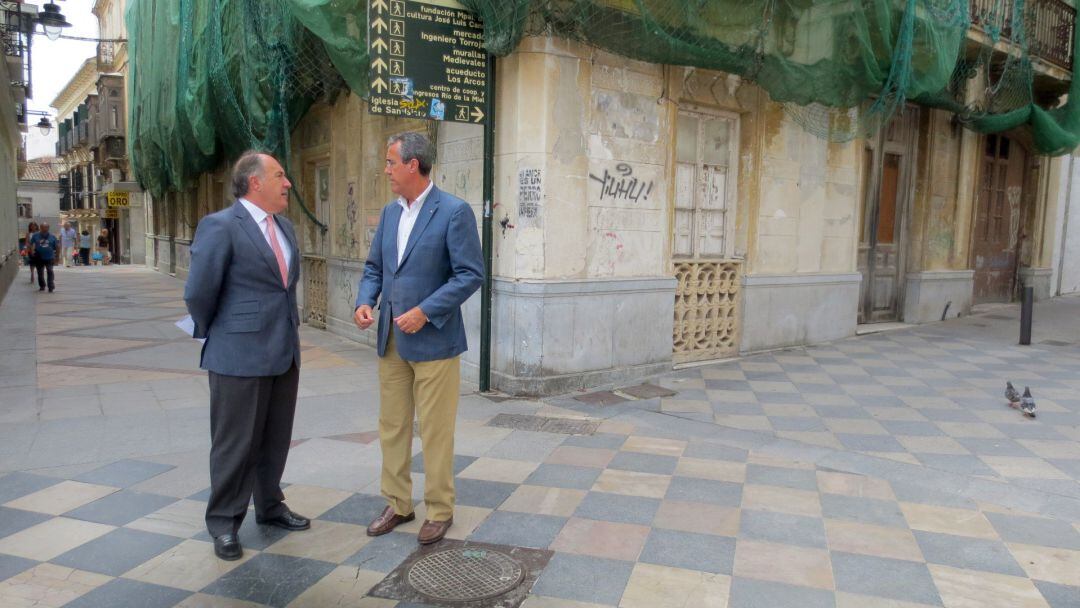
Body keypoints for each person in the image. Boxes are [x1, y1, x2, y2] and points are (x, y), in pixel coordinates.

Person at [353, 132, 483, 545]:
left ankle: (439, 510)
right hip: (391, 337)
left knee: (435, 429)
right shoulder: (391, 214)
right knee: (392, 425)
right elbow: (375, 266)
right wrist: (364, 301)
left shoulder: (454, 212)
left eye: (391, 162)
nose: (386, 170)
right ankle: (398, 503)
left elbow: (470, 274)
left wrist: (426, 310)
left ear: (414, 165)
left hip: (435, 340)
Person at [183, 150, 309, 561]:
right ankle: (224, 523)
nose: (287, 182)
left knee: (275, 439)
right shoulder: (220, 226)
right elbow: (199, 293)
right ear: (255, 182)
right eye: (279, 175)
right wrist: (218, 335)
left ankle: (270, 507)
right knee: (235, 444)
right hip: (237, 355)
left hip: (282, 353)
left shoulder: (286, 227)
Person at [29, 223, 59, 292]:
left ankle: (50, 286)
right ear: (40, 228)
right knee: (40, 272)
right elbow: (31, 244)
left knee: (50, 271)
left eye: (46, 228)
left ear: (48, 228)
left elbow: (57, 247)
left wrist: (57, 256)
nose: (44, 229)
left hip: (49, 257)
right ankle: (42, 285)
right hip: (39, 257)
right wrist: (32, 251)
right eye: (43, 228)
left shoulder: (52, 236)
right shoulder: (35, 235)